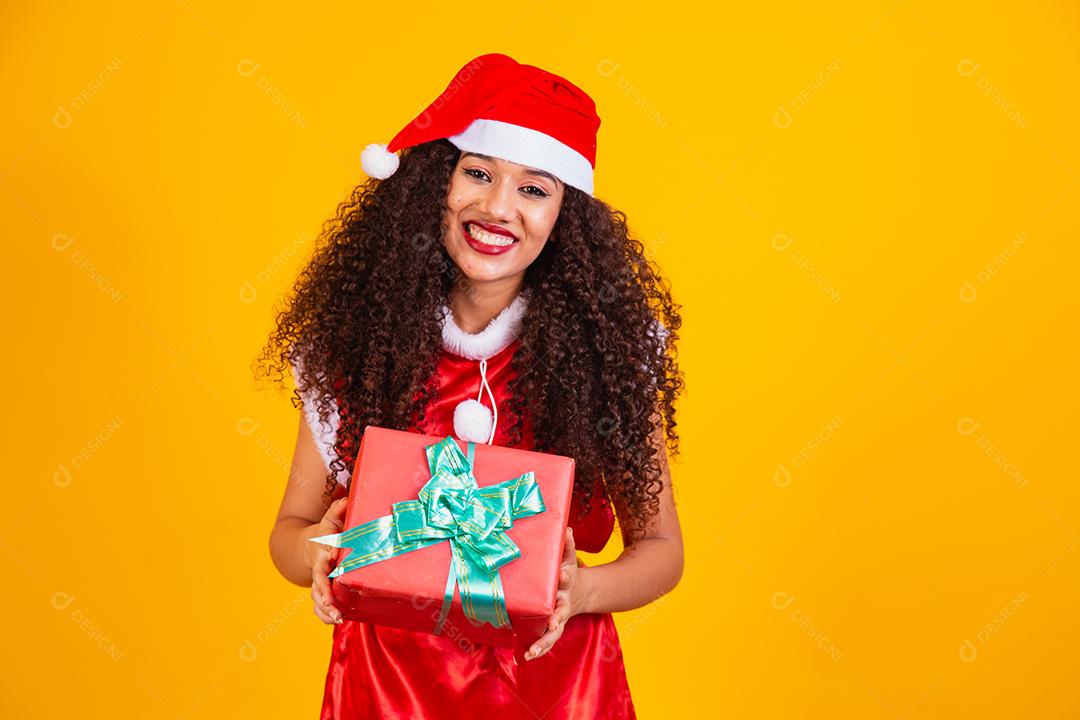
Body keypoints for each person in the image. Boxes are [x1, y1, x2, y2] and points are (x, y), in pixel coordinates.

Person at [258, 52, 685, 719]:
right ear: (435, 182)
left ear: (564, 216)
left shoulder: (611, 360)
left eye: (534, 189)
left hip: (557, 688)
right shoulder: (355, 349)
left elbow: (662, 551)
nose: (497, 207)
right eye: (478, 173)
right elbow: (288, 533)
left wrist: (582, 590)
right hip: (387, 690)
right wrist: (321, 551)